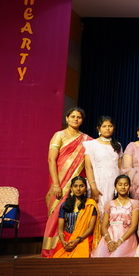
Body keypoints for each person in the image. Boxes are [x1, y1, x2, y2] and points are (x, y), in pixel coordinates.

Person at [43, 107, 92, 257]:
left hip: (76, 184)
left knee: (74, 214)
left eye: (79, 117)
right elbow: (51, 160)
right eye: (73, 117)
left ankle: (69, 247)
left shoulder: (86, 140)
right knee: (56, 213)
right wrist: (56, 184)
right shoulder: (59, 135)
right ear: (67, 118)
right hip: (59, 181)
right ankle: (50, 250)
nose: (75, 119)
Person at [92, 175, 139, 257]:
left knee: (117, 255)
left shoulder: (134, 203)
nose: (123, 187)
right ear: (115, 187)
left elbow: (134, 226)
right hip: (110, 236)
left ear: (129, 187)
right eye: (120, 184)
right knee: (100, 256)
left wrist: (120, 241)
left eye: (126, 184)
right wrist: (109, 241)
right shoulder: (109, 204)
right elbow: (104, 226)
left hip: (126, 237)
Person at [51, 177, 98, 258]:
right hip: (66, 239)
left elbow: (90, 228)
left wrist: (78, 240)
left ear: (85, 188)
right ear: (71, 188)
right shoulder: (64, 205)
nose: (78, 189)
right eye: (75, 186)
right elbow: (60, 228)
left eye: (81, 186)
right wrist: (63, 241)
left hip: (83, 239)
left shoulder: (90, 205)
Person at [84, 116, 123, 213]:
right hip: (98, 183)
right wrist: (93, 187)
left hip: (113, 184)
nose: (107, 128)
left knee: (112, 212)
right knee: (97, 212)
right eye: (104, 126)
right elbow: (88, 167)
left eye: (110, 126)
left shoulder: (117, 145)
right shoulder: (91, 144)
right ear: (98, 128)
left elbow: (120, 168)